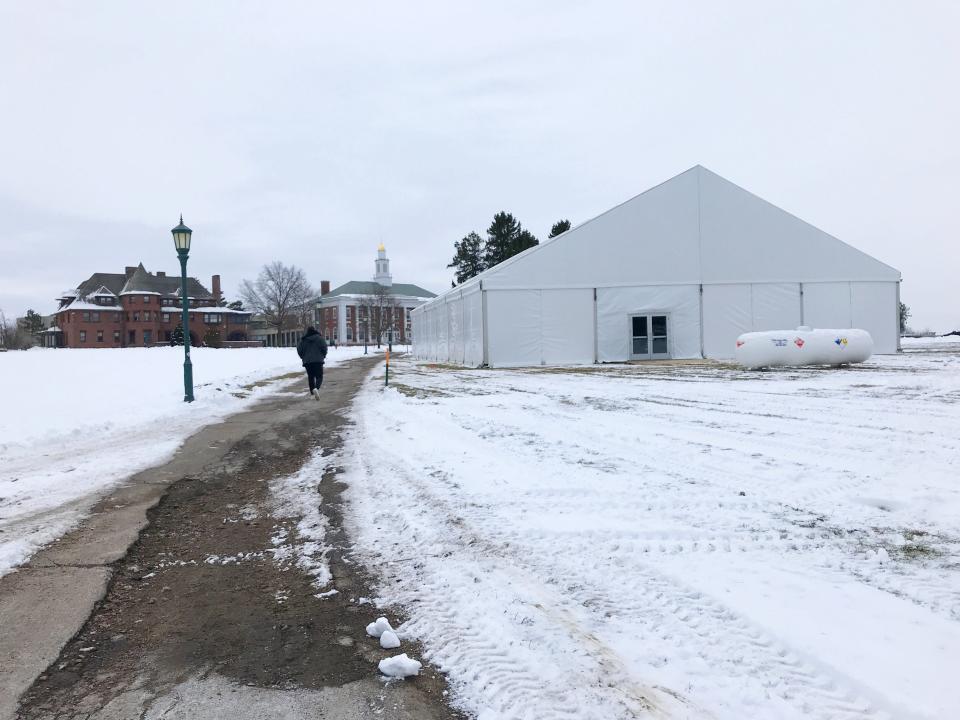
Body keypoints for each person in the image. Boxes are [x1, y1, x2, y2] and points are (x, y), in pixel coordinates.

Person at [296, 326, 328, 400]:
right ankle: (316, 388)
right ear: (314, 330)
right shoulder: (319, 338)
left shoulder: (303, 340)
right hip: (318, 361)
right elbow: (324, 348)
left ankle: (312, 394)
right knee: (319, 376)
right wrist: (323, 355)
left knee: (311, 377)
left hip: (308, 362)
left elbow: (299, 349)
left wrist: (303, 357)